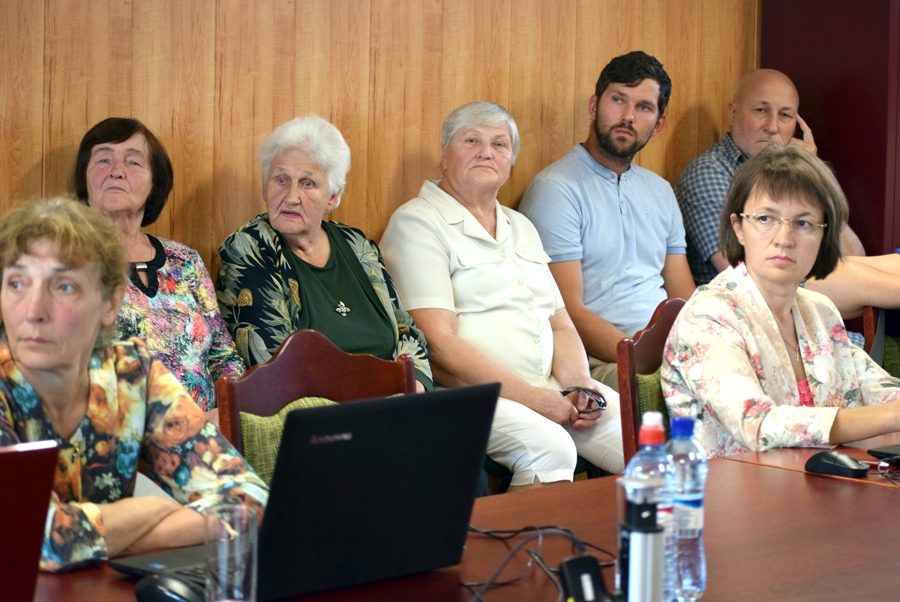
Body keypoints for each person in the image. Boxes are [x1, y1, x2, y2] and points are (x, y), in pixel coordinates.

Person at [0, 198, 268, 572]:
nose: (33, 310)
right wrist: (156, 508)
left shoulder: (132, 373)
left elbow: (248, 500)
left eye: (63, 287)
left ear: (111, 303)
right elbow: (36, 542)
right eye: (16, 283)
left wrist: (110, 535)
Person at [380, 101, 624, 490]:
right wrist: (536, 399)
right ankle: (532, 551)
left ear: (510, 159)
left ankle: (618, 546)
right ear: (444, 155)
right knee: (551, 448)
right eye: (471, 140)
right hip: (470, 395)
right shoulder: (417, 222)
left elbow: (559, 324)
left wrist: (580, 384)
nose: (486, 151)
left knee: (640, 437)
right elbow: (437, 344)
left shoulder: (521, 226)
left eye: (499, 143)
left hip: (550, 387)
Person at [662, 145, 900, 459]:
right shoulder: (709, 315)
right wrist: (890, 416)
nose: (784, 238)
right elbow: (756, 424)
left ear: (824, 235)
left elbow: (883, 394)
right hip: (725, 498)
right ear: (739, 228)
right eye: (765, 218)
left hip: (821, 490)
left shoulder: (820, 310)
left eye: (803, 223)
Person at [519, 51, 695, 391]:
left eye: (643, 107)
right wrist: (643, 355)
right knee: (684, 386)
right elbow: (569, 311)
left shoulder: (660, 191)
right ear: (594, 106)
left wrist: (704, 343)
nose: (627, 116)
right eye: (618, 100)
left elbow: (682, 296)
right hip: (601, 360)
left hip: (666, 351)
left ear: (658, 124)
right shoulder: (555, 190)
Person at [216, 115, 432, 391]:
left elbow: (407, 332)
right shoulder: (250, 249)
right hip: (325, 413)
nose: (291, 196)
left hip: (397, 401)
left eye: (308, 183)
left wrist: (416, 388)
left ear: (333, 197)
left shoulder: (357, 244)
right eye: (281, 179)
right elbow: (275, 366)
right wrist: (385, 393)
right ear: (265, 186)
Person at [675, 69, 900, 320]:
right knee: (883, 285)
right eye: (761, 110)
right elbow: (745, 272)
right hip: (754, 307)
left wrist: (810, 174)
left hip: (802, 308)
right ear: (733, 113)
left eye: (784, 115)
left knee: (892, 265)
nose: (772, 127)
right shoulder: (709, 172)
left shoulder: (784, 175)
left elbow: (852, 256)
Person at [75, 118, 244, 411]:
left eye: (133, 162)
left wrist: (224, 417)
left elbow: (224, 357)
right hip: (118, 441)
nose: (116, 171)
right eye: (103, 159)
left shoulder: (185, 261)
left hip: (206, 436)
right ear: (85, 179)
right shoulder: (65, 262)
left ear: (155, 183)